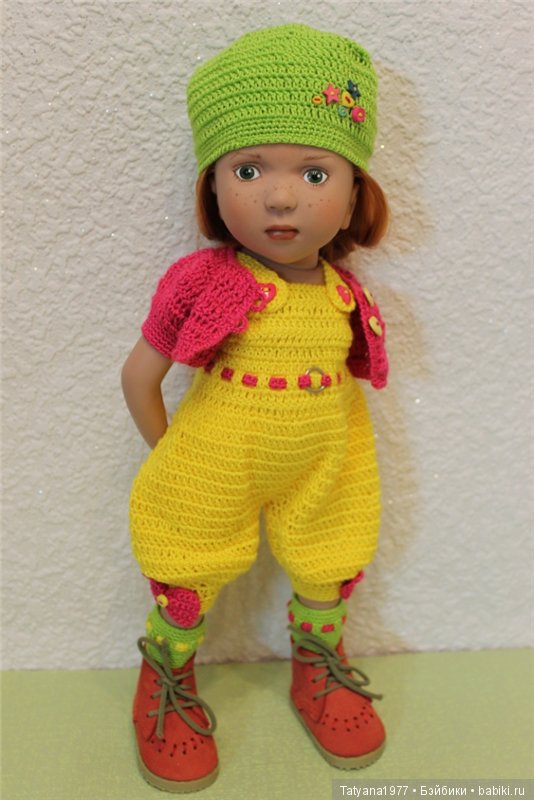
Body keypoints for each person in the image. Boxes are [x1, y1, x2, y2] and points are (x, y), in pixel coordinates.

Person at [122, 24, 390, 793]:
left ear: (355, 192)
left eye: (315, 172)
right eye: (247, 169)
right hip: (215, 463)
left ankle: (318, 663)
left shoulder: (346, 295)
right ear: (212, 187)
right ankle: (167, 676)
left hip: (325, 459)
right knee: (186, 568)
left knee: (331, 556)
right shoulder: (206, 282)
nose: (279, 196)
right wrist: (172, 455)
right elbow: (139, 376)